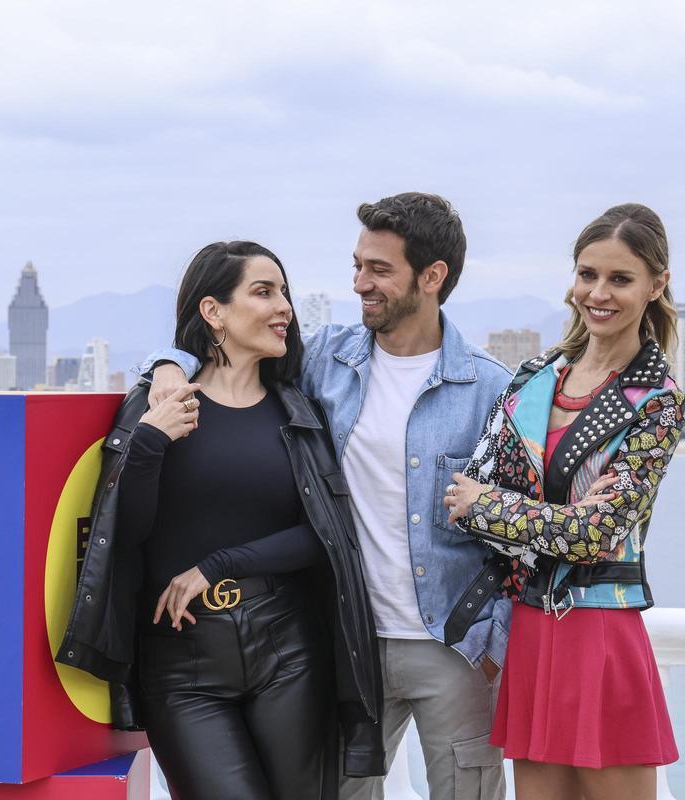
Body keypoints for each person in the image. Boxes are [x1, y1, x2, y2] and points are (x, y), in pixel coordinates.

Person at [145, 193, 512, 799]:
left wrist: (496, 639)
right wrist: (166, 363)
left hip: (454, 649)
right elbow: (230, 350)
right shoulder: (324, 360)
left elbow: (515, 527)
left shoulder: (490, 387)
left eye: (379, 269)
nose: (359, 283)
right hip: (346, 639)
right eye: (357, 264)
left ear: (432, 276)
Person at [57, 240, 384, 800]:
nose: (283, 306)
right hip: (180, 664)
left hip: (288, 645)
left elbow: (325, 535)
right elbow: (128, 535)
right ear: (214, 312)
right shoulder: (158, 403)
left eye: (283, 292)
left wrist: (220, 564)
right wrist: (151, 440)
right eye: (263, 292)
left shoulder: (296, 410)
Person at [443, 203, 685, 800]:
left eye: (620, 279)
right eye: (587, 274)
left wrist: (493, 507)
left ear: (656, 286)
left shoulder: (657, 400)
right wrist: (547, 519)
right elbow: (462, 495)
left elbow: (593, 536)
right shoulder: (533, 376)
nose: (597, 293)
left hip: (602, 629)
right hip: (530, 625)